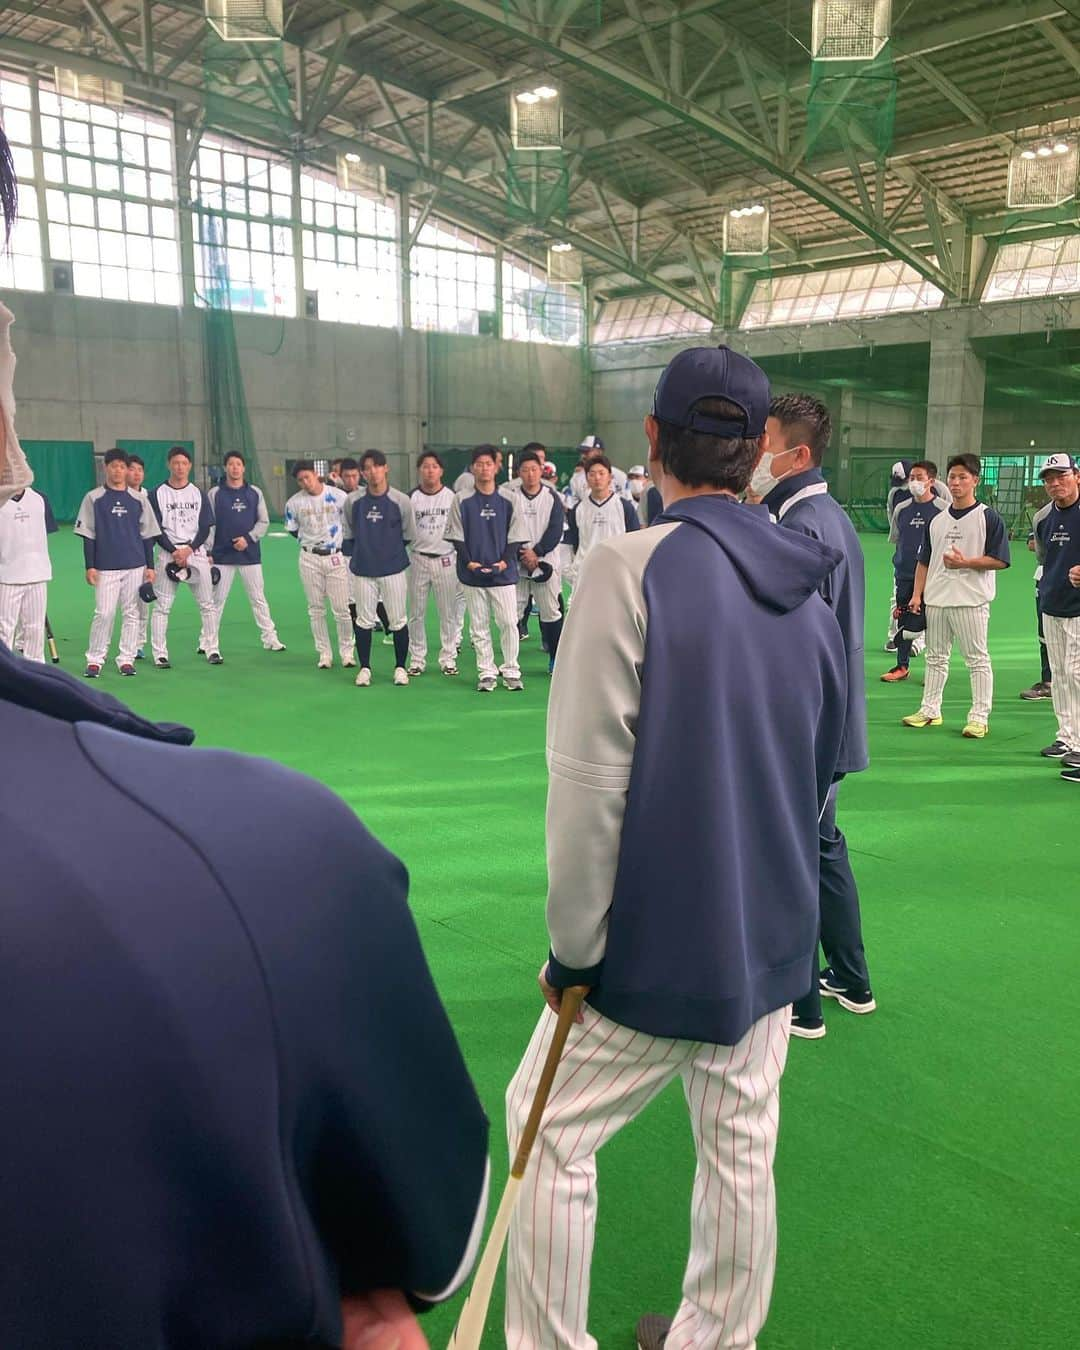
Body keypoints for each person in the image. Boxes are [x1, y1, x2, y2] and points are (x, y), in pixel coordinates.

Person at [503, 345, 847, 1350]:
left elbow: (588, 788)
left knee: (549, 1123)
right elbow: (821, 774)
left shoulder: (627, 565)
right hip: (776, 929)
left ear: (651, 441)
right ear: (756, 456)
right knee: (741, 1140)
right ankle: (715, 1341)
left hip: (661, 941)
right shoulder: (810, 582)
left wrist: (576, 950)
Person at [753, 393, 874, 1038]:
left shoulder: (800, 529)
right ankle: (850, 979)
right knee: (823, 847)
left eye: (763, 439)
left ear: (796, 454)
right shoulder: (826, 516)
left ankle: (800, 1001)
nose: (753, 452)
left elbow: (795, 651)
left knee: (798, 854)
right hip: (830, 725)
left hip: (810, 732)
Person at [902, 453, 1011, 738]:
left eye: (963, 477)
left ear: (975, 480)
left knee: (977, 659)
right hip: (937, 600)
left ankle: (979, 717)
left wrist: (966, 563)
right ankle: (929, 709)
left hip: (971, 601)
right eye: (953, 477)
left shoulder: (988, 517)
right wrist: (917, 595)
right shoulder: (937, 521)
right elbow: (924, 561)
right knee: (935, 658)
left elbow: (1000, 560)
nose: (957, 482)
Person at [445, 444, 529, 693]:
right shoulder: (461, 499)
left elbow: (516, 535)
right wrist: (469, 561)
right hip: (471, 575)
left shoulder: (509, 499)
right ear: (472, 468)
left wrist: (504, 561)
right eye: (479, 464)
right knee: (479, 625)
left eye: (488, 464)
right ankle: (487, 672)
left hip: (503, 575)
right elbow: (456, 535)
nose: (484, 468)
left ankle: (511, 670)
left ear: (497, 467)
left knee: (508, 622)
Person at [74, 448, 158, 678]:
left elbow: (147, 534)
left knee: (132, 612)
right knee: (104, 612)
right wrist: (89, 566)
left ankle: (127, 659)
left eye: (123, 466)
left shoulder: (140, 499)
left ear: (127, 470)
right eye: (114, 466)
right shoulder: (93, 498)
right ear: (106, 468)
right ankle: (95, 658)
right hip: (105, 566)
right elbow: (88, 534)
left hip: (135, 565)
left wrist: (150, 567)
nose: (119, 470)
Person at [343, 449, 415, 687]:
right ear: (362, 472)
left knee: (398, 620)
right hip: (363, 569)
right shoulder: (353, 501)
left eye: (377, 466)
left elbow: (408, 535)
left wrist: (387, 554)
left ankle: (400, 668)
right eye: (367, 468)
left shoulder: (401, 501)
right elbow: (350, 533)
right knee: (364, 620)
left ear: (386, 468)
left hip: (393, 569)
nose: (372, 472)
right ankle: (365, 668)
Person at [148, 446, 222, 668]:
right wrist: (174, 551)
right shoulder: (156, 493)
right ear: (169, 464)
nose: (179, 467)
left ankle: (212, 648)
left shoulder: (198, 493)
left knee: (207, 605)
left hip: (195, 552)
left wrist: (189, 550)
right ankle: (160, 653)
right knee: (162, 606)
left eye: (184, 463)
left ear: (189, 466)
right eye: (175, 463)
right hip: (167, 553)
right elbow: (155, 529)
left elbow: (205, 527)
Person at [1031, 454, 1080, 781]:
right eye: (1049, 478)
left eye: (1061, 476)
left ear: (1077, 475)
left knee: (1077, 673)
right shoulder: (1043, 518)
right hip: (1052, 603)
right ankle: (1067, 737)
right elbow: (1045, 559)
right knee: (1060, 674)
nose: (1054, 484)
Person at [208, 452, 286, 655]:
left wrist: (248, 539)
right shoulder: (215, 493)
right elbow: (210, 525)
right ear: (226, 468)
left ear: (243, 468)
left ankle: (270, 638)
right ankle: (207, 641)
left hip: (250, 556)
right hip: (222, 557)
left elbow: (264, 522)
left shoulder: (255, 493)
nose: (235, 468)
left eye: (238, 464)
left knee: (258, 598)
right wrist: (208, 551)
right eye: (231, 464)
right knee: (216, 601)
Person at [284, 461, 354, 669]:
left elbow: (350, 523)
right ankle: (324, 653)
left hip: (335, 556)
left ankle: (347, 652)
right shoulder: (294, 503)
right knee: (316, 608)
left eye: (308, 477)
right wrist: (310, 542)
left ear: (316, 474)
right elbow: (292, 528)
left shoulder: (340, 497)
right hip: (309, 558)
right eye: (300, 480)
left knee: (342, 608)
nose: (305, 482)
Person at [882, 460, 946, 682]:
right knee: (903, 619)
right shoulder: (902, 508)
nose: (915, 482)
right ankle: (901, 666)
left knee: (935, 622)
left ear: (932, 481)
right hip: (904, 573)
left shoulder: (942, 509)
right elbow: (897, 539)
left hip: (934, 576)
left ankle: (934, 671)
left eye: (920, 477)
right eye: (912, 478)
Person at [507, 449, 565, 670]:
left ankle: (555, 658)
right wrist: (522, 553)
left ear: (541, 470)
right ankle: (510, 661)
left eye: (534, 469)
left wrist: (537, 551)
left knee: (550, 611)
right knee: (511, 613)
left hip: (546, 564)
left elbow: (555, 529)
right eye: (525, 470)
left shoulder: (552, 498)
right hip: (517, 565)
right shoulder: (511, 498)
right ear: (518, 472)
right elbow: (507, 528)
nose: (530, 474)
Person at [408, 451, 462, 677]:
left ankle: (448, 658)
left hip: (446, 559)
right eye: (425, 466)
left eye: (434, 466)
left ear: (441, 470)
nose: (430, 470)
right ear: (419, 470)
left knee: (448, 612)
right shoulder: (411, 498)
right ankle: (417, 658)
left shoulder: (452, 497)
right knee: (416, 612)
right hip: (418, 558)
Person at [0, 477, 58, 663]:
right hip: (6, 576)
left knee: (34, 628)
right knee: (4, 629)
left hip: (37, 574)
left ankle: (35, 671)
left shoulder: (40, 499)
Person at [564, 455, 639, 597]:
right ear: (586, 479)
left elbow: (633, 539)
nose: (597, 478)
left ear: (610, 477)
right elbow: (575, 543)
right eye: (592, 474)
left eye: (601, 473)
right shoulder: (578, 509)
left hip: (617, 572)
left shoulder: (624, 507)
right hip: (585, 573)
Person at [1020, 499, 1054, 701]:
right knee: (1045, 634)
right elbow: (1034, 545)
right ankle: (1049, 682)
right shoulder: (1043, 515)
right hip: (1046, 577)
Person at [124, 454, 150, 659]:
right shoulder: (115, 496)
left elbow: (150, 533)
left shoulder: (148, 497)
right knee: (113, 608)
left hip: (141, 559)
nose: (136, 473)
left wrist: (150, 564)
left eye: (140, 470)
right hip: (116, 561)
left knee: (141, 603)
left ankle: (138, 643)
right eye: (132, 469)